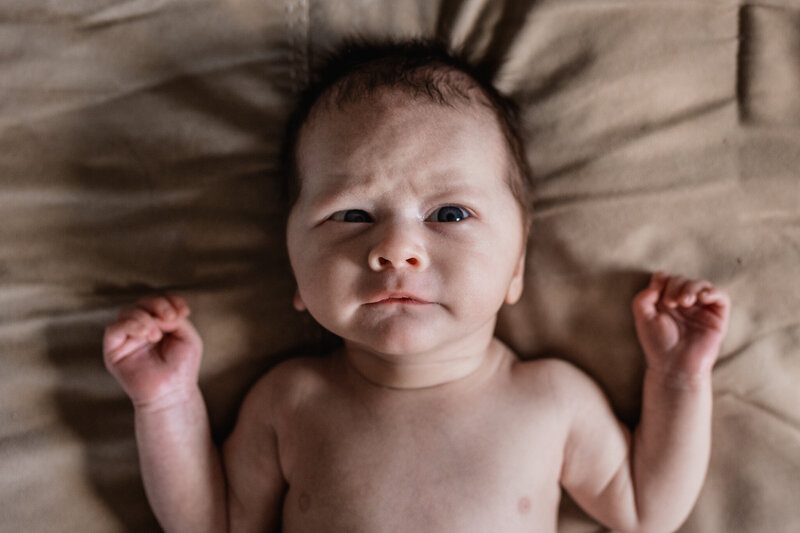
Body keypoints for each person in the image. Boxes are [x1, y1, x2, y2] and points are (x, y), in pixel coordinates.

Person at [102, 39, 731, 533]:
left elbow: (648, 511)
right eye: (351, 215)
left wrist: (678, 380)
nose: (395, 249)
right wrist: (165, 405)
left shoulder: (550, 401)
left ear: (516, 266)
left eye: (450, 215)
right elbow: (214, 524)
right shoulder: (290, 401)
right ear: (295, 270)